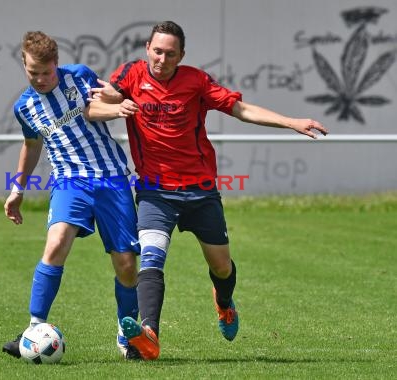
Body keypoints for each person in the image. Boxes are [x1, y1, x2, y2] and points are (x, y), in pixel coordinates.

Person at [87, 20, 329, 360]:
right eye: (157, 51)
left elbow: (241, 109)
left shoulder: (196, 81)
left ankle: (225, 303)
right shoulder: (129, 74)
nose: (162, 59)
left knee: (222, 268)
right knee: (151, 260)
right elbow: (92, 107)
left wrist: (292, 122)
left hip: (200, 192)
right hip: (155, 192)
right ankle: (149, 334)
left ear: (181, 55)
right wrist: (115, 107)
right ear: (147, 49)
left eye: (170, 53)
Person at [1, 31, 143, 360]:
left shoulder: (78, 76)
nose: (40, 79)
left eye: (46, 72)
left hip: (111, 178)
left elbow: (99, 104)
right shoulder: (25, 107)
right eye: (33, 72)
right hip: (69, 181)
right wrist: (17, 188)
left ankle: (127, 332)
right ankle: (34, 328)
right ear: (24, 64)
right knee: (55, 244)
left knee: (125, 264)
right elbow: (32, 145)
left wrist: (117, 105)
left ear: (57, 64)